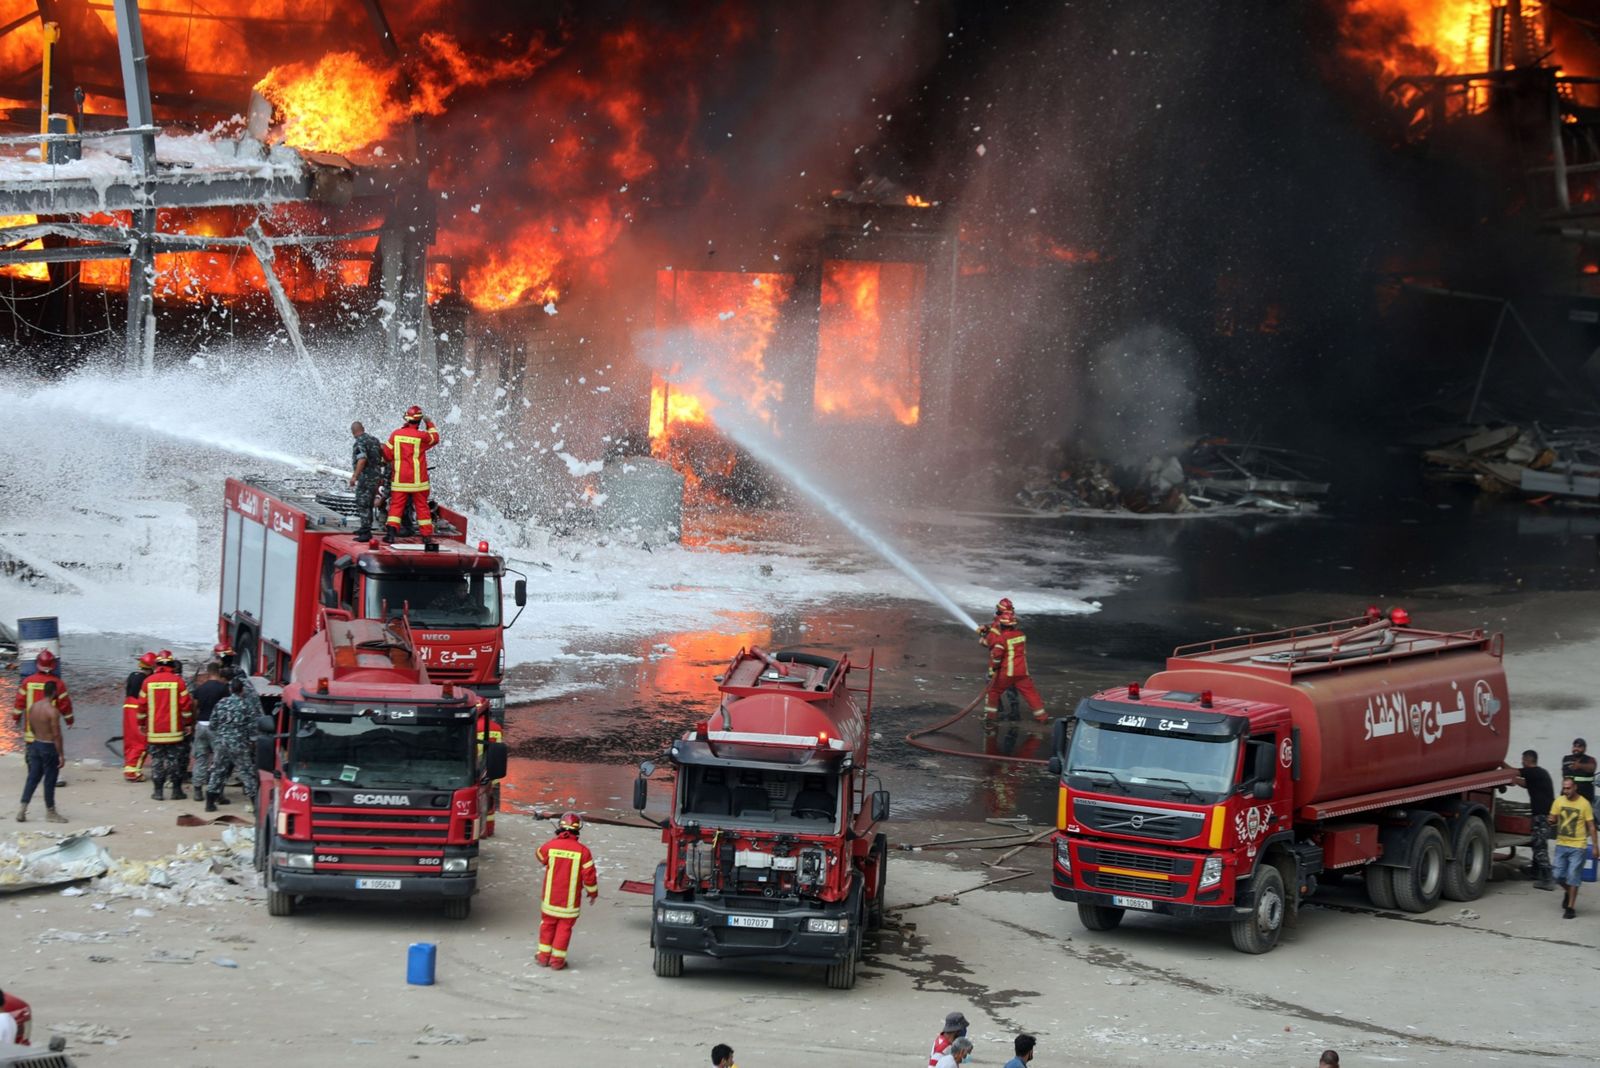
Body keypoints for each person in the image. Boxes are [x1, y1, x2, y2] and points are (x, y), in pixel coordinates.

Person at [534, 811, 599, 970]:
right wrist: (592, 893)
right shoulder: (583, 851)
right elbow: (589, 877)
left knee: (547, 926)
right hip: (569, 903)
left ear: (560, 827)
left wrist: (555, 844)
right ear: (578, 830)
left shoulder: (552, 845)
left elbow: (539, 854)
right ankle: (557, 962)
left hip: (550, 899)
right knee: (564, 929)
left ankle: (543, 957)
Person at [977, 599, 1047, 724]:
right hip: (1022, 671)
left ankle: (990, 717)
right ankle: (1042, 717)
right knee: (1031, 693)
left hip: (1007, 672)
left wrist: (993, 668)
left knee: (993, 691)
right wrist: (987, 629)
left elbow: (997, 654)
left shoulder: (1001, 638)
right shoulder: (1020, 635)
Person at [137, 653, 195, 801]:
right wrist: (188, 723)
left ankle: (158, 792)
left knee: (157, 761)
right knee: (174, 760)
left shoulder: (147, 682)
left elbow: (142, 706)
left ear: (157, 665)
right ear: (171, 666)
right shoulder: (178, 682)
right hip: (174, 731)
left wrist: (141, 724)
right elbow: (186, 706)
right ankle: (176, 791)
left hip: (155, 731)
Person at [381, 405, 440, 543]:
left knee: (396, 507)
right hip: (418, 482)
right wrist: (429, 423)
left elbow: (387, 455)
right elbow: (435, 438)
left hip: (400, 480)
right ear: (419, 421)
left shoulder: (396, 435)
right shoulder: (422, 436)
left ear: (406, 419)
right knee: (422, 507)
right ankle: (426, 536)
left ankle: (390, 534)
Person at [16, 681, 68, 823]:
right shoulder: (52, 711)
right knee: (50, 780)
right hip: (49, 747)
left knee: (32, 778)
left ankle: (22, 808)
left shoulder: (33, 707)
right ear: (54, 693)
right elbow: (57, 734)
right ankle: (50, 812)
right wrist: (61, 755)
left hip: (36, 744)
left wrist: (37, 738)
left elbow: (31, 727)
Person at [206, 677, 259, 813]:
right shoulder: (246, 705)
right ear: (242, 690)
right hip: (239, 744)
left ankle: (210, 803)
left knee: (217, 771)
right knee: (247, 773)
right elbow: (253, 728)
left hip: (222, 744)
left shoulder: (221, 703)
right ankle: (255, 805)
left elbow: (212, 724)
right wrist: (252, 742)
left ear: (230, 689)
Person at [1551, 775, 1598, 919]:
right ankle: (1568, 891)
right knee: (1557, 876)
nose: (1566, 791)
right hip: (1561, 844)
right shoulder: (1558, 801)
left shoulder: (1584, 804)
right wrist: (1551, 820)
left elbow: (1591, 826)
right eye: (1564, 788)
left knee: (1573, 876)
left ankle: (1570, 907)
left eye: (1568, 788)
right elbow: (1553, 817)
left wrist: (1596, 846)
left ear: (1575, 787)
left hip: (1578, 846)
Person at [188, 662, 232, 805]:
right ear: (218, 672)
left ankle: (197, 790)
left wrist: (194, 723)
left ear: (207, 673)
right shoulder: (223, 689)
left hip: (201, 725)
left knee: (200, 758)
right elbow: (227, 707)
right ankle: (217, 793)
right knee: (218, 761)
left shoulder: (200, 689)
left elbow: (194, 706)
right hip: (217, 728)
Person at [1517, 749, 1557, 890]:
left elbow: (1514, 772)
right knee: (1537, 843)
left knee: (1540, 846)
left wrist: (1500, 763)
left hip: (1542, 815)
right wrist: (1514, 781)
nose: (1522, 762)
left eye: (1523, 760)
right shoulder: (1539, 774)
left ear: (1528, 760)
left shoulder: (1533, 771)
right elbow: (1524, 783)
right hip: (1543, 815)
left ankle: (1547, 878)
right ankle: (1535, 872)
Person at [122, 651, 158, 782]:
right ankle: (133, 772)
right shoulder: (146, 680)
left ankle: (128, 766)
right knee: (141, 741)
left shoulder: (132, 676)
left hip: (127, 708)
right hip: (137, 709)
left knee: (130, 740)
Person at [348, 420, 387, 539]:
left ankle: (365, 531)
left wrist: (355, 476)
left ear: (353, 432)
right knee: (369, 501)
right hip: (375, 476)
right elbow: (383, 454)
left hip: (366, 477)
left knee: (362, 502)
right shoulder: (374, 440)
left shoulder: (360, 442)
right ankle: (365, 527)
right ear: (363, 428)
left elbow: (362, 459)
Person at [1561, 738, 1596, 807]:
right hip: (1567, 797)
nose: (1576, 749)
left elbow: (1592, 768)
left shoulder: (1590, 760)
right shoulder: (1566, 758)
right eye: (1575, 746)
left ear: (1584, 749)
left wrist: (1579, 766)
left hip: (1585, 798)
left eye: (1579, 747)